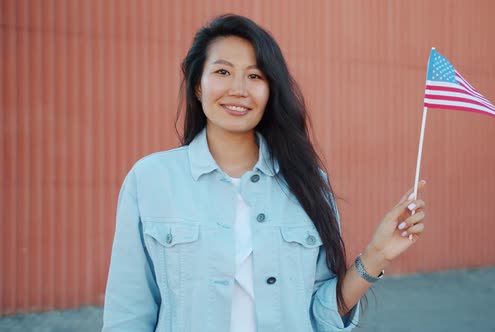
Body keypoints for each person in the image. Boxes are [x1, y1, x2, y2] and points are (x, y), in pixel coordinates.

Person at [102, 14, 426, 332]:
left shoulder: (307, 183)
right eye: (223, 71)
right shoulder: (150, 180)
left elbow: (321, 313)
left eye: (255, 76)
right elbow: (127, 315)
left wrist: (377, 254)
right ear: (197, 85)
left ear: (271, 90)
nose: (239, 89)